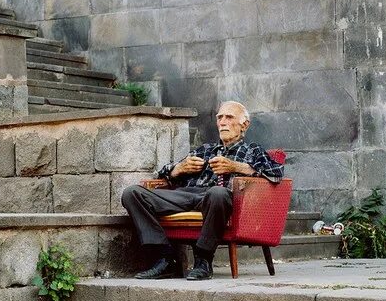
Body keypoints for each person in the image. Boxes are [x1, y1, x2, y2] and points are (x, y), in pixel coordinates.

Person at [120, 101, 284, 281]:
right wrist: (179, 168)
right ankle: (165, 258)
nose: (222, 122)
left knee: (217, 193)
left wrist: (235, 166)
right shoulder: (206, 149)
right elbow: (163, 173)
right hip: (187, 194)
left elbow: (276, 174)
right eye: (219, 117)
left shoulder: (253, 150)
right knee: (132, 193)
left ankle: (203, 260)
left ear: (244, 124)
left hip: (217, 199)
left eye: (229, 117)